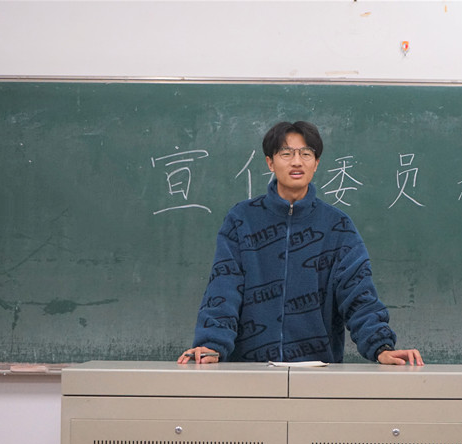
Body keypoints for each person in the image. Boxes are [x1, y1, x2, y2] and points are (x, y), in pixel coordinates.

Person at [178, 121, 423, 366]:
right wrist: (212, 344)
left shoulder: (337, 226)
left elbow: (359, 294)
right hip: (249, 370)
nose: (297, 162)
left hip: (317, 371)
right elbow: (223, 288)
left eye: (306, 154)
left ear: (316, 163)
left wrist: (381, 347)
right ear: (270, 162)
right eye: (286, 153)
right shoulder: (242, 219)